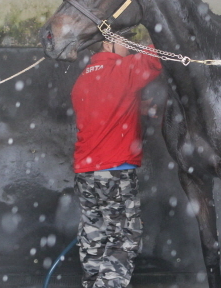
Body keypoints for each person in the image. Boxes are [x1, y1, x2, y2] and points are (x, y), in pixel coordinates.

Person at [70, 36, 162, 288]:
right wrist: (148, 41)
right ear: (108, 43)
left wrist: (137, 107)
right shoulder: (122, 70)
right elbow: (157, 58)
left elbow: (103, 106)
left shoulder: (83, 79)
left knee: (94, 236)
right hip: (114, 171)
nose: (128, 45)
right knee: (124, 237)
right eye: (124, 41)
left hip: (86, 173)